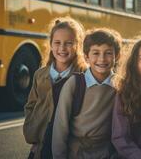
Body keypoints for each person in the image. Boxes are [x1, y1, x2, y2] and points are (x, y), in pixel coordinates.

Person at [52, 28, 122, 159]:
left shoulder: (121, 86)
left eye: (108, 53)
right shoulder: (75, 84)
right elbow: (60, 129)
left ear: (116, 56)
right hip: (77, 153)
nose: (102, 59)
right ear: (86, 56)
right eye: (95, 53)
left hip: (108, 153)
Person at [23, 17, 86, 159]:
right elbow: (31, 105)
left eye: (68, 43)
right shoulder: (40, 74)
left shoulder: (83, 75)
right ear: (50, 45)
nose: (62, 48)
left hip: (70, 147)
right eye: (57, 43)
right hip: (40, 145)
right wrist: (33, 133)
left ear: (78, 45)